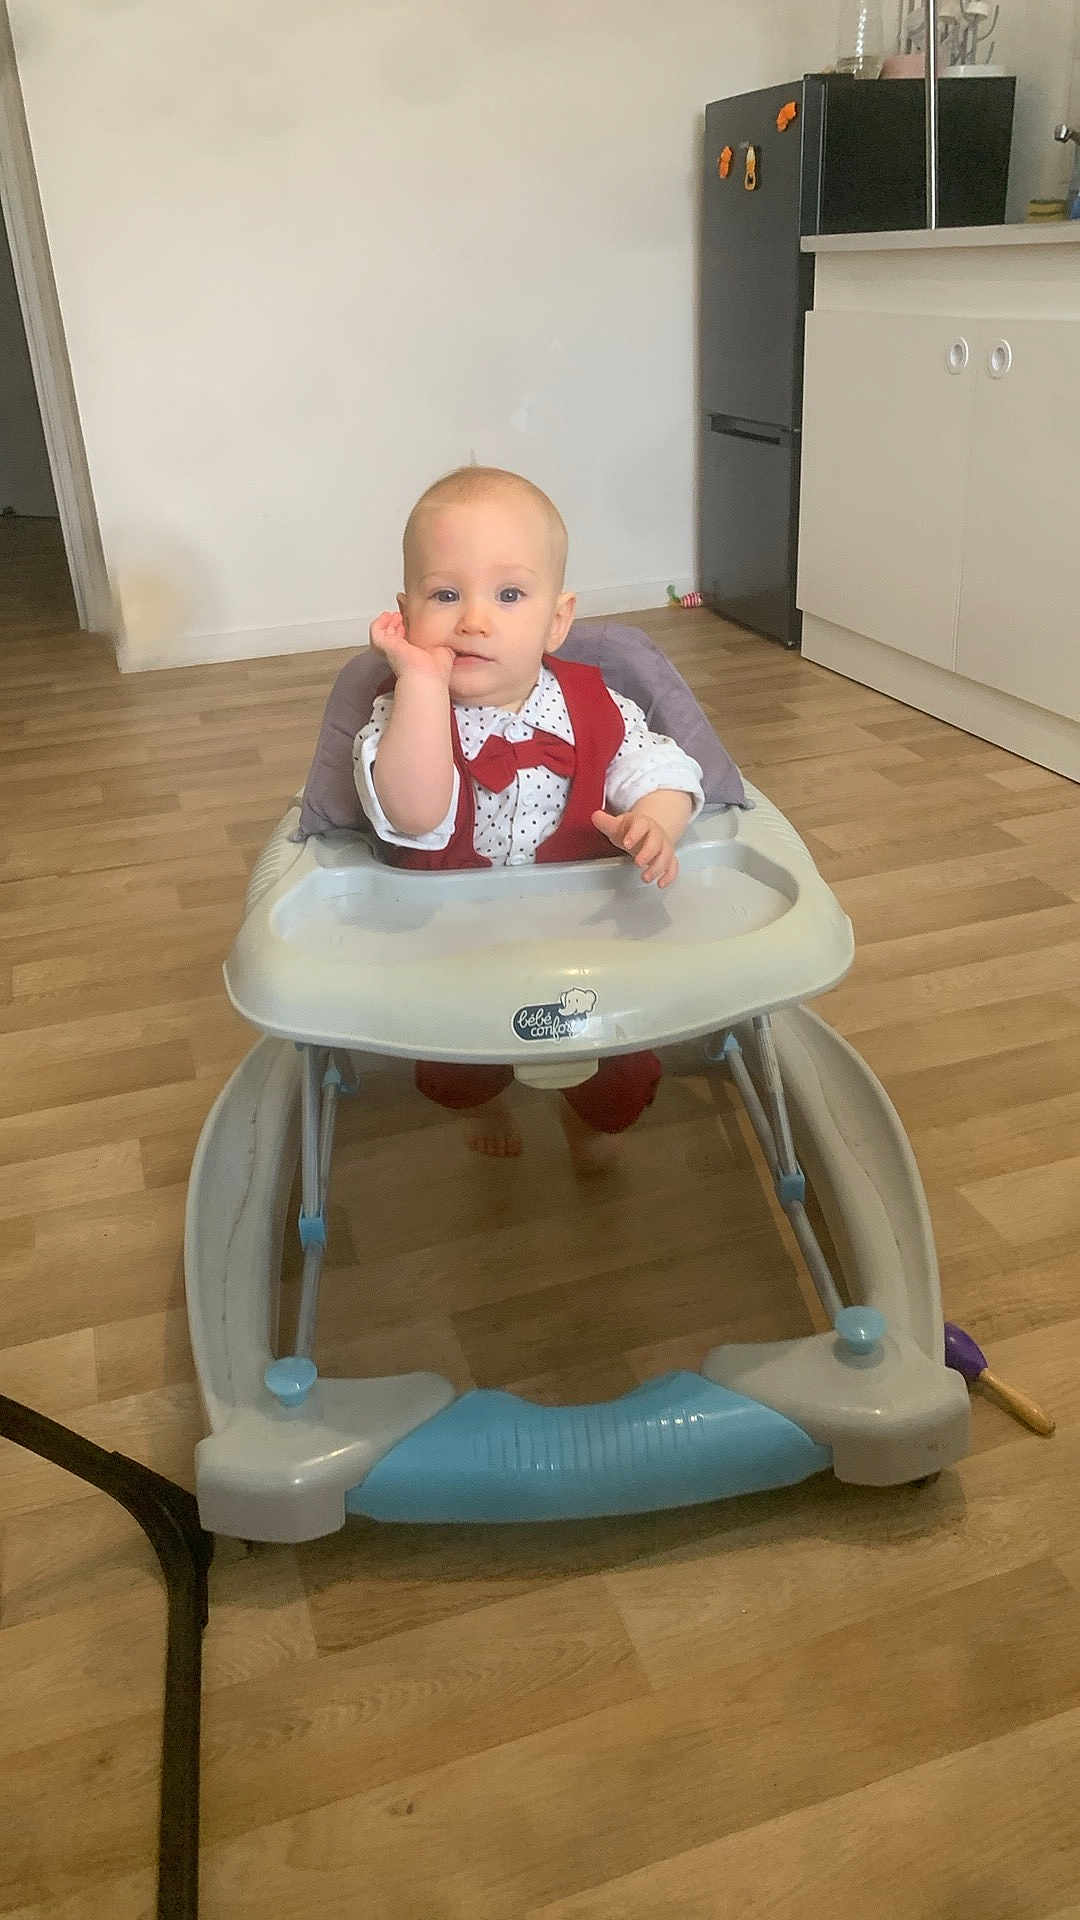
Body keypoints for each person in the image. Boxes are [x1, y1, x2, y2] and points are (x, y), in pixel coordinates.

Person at [353, 466, 703, 1169]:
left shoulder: (598, 706)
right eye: (445, 595)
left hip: (588, 938)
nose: (474, 620)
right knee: (457, 1064)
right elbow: (417, 814)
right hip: (453, 945)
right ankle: (484, 1104)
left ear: (557, 620)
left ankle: (593, 1118)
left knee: (619, 1071)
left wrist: (657, 822)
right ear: (407, 610)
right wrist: (422, 680)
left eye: (509, 594)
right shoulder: (401, 715)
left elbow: (664, 769)